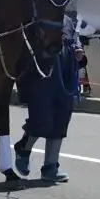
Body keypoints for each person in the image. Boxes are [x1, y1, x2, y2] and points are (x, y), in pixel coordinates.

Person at [15, 13, 82, 183]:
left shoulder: (67, 21)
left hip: (65, 76)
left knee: (61, 120)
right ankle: (24, 148)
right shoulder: (34, 19)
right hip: (42, 76)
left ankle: (50, 167)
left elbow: (74, 42)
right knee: (41, 121)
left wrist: (78, 53)